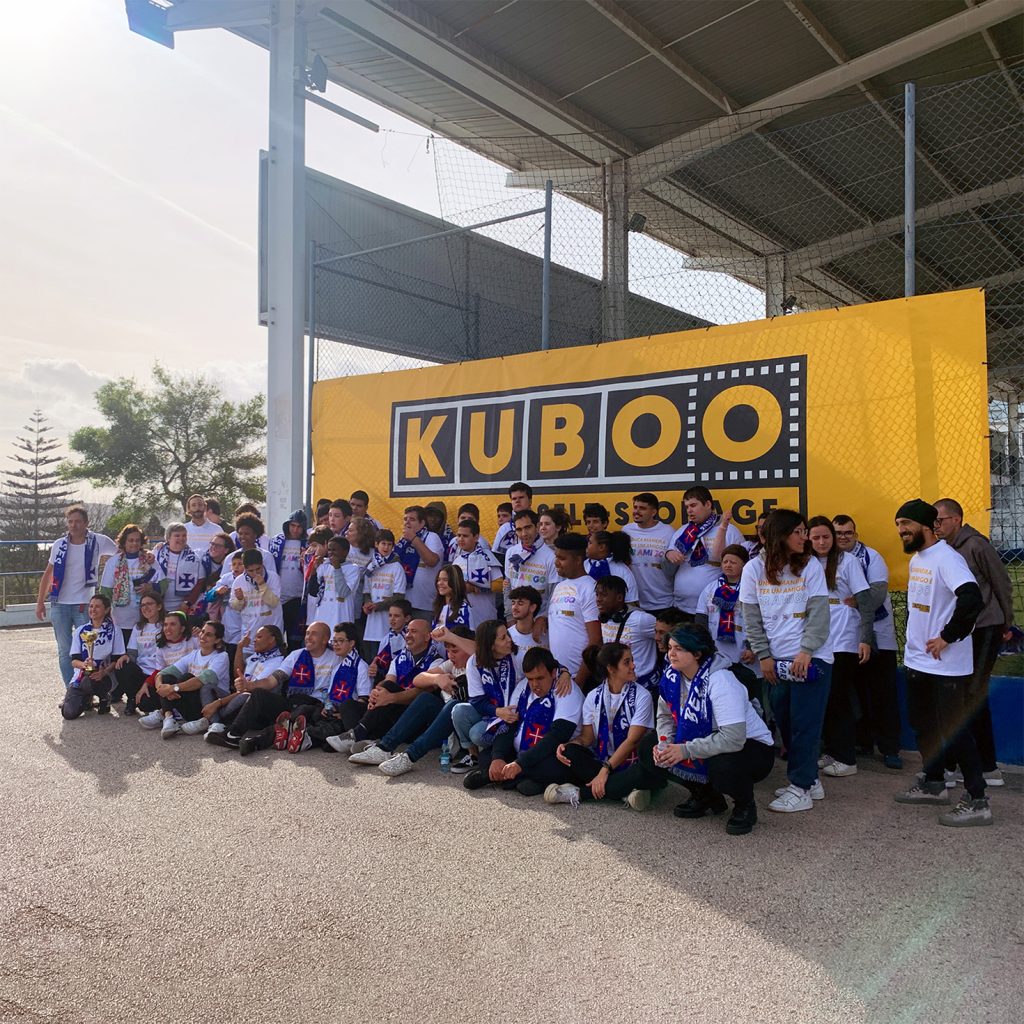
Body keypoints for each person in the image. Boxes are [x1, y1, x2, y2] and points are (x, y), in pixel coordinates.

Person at [618, 624, 775, 835]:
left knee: (722, 764)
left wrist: (684, 750)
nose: (671, 653)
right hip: (705, 739)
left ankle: (745, 805)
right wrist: (665, 742)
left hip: (752, 748)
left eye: (679, 649)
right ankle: (705, 794)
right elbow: (665, 715)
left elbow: (733, 739)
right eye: (670, 647)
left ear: (697, 653)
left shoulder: (721, 681)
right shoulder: (673, 676)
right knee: (650, 747)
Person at [892, 499, 990, 827]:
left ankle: (978, 799)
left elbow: (972, 599)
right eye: (898, 525)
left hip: (946, 664)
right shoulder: (920, 558)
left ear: (925, 526)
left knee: (955, 731)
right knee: (923, 723)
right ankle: (934, 783)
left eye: (905, 524)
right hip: (919, 660)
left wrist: (948, 636)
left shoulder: (947, 558)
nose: (901, 531)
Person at [739, 509, 833, 814]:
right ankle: (809, 778)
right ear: (780, 534)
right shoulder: (753, 569)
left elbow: (819, 612)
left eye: (805, 531)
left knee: (805, 724)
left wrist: (806, 651)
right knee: (785, 720)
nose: (804, 538)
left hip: (811, 658)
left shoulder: (811, 567)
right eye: (798, 532)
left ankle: (801, 787)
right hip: (776, 661)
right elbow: (751, 617)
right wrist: (764, 656)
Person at [933, 497, 1014, 786]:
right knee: (961, 695)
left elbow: (1001, 581)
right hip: (962, 631)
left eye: (940, 520)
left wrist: (1007, 621)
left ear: (956, 519)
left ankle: (987, 766)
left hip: (985, 627)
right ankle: (959, 762)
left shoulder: (976, 545)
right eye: (934, 522)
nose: (936, 526)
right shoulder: (943, 551)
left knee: (972, 695)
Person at [347, 625, 476, 776]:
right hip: (447, 726)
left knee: (455, 705)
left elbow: (479, 652)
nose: (450, 655)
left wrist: (450, 636)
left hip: (470, 723)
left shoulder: (478, 661)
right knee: (426, 699)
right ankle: (384, 748)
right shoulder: (450, 665)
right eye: (448, 651)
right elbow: (418, 679)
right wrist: (438, 678)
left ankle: (409, 756)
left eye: (455, 651)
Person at [832, 514, 903, 769]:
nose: (842, 537)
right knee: (855, 693)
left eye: (847, 533)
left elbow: (877, 592)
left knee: (883, 694)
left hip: (879, 637)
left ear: (856, 535)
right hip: (847, 638)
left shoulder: (871, 557)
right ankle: (862, 741)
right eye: (838, 533)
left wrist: (860, 600)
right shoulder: (828, 561)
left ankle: (890, 748)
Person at [462, 647, 583, 796]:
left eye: (540, 678)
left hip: (552, 754)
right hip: (522, 752)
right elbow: (508, 724)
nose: (535, 685)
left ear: (553, 673)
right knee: (487, 757)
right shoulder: (522, 687)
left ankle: (494, 777)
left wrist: (520, 764)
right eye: (530, 679)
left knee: (553, 768)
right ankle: (522, 780)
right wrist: (498, 757)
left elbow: (558, 735)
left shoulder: (566, 689)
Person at [547, 642, 655, 809]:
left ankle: (580, 793)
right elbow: (587, 738)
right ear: (611, 669)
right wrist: (569, 745)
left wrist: (605, 771)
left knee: (643, 772)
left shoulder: (642, 696)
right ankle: (623, 791)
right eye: (627, 662)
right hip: (603, 760)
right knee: (569, 752)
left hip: (631, 762)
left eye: (632, 660)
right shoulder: (593, 696)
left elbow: (632, 741)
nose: (633, 665)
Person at [808, 517, 873, 779]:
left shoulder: (848, 561)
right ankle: (833, 751)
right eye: (816, 537)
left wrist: (865, 638)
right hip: (817, 642)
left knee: (839, 699)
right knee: (826, 700)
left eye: (826, 537)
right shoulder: (807, 563)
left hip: (843, 641)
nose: (822, 542)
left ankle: (847, 758)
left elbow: (865, 600)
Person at [326, 619, 441, 754]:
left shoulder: (437, 661)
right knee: (348, 705)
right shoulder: (399, 658)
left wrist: (391, 697)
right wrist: (377, 692)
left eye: (414, 631)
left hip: (413, 718)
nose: (408, 635)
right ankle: (367, 741)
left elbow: (421, 692)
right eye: (408, 631)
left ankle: (358, 734)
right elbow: (388, 681)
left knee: (389, 689)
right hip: (390, 712)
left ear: (427, 636)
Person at [228, 621, 340, 755]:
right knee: (259, 693)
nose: (308, 637)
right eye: (307, 633)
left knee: (300, 712)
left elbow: (336, 689)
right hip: (292, 702)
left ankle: (257, 741)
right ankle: (232, 734)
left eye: (314, 634)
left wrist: (329, 707)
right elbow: (271, 680)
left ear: (325, 639)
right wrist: (250, 685)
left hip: (316, 705)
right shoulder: (296, 655)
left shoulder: (335, 658)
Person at [36, 504, 118, 686]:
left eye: (78, 521)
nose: (74, 525)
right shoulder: (59, 545)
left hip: (85, 605)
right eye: (70, 521)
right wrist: (40, 601)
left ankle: (92, 689)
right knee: (65, 651)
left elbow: (121, 554)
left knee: (90, 650)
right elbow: (48, 573)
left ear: (86, 523)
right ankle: (72, 689)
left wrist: (150, 553)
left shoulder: (98, 541)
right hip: (60, 604)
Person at [204, 624, 288, 746]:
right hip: (240, 698)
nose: (254, 640)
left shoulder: (277, 661)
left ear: (272, 639)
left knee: (246, 694)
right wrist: (239, 648)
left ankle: (218, 722)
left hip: (258, 709)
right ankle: (216, 723)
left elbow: (247, 689)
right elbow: (238, 677)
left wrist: (219, 703)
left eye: (259, 637)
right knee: (207, 688)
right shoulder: (256, 656)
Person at [146, 621, 231, 739]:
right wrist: (161, 687)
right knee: (167, 678)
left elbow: (203, 679)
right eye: (202, 632)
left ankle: (166, 712)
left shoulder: (221, 656)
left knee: (186, 677)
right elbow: (164, 672)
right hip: (192, 704)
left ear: (217, 640)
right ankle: (168, 717)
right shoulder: (194, 654)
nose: (203, 636)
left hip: (210, 706)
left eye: (209, 635)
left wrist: (172, 688)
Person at [666, 487, 744, 616]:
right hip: (681, 606)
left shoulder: (730, 531)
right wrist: (668, 554)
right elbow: (667, 570)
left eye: (693, 505)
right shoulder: (683, 532)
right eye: (686, 507)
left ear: (708, 504)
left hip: (714, 607)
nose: (689, 510)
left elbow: (741, 567)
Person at [694, 544, 760, 691]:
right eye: (725, 561)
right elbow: (701, 620)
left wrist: (752, 648)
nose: (728, 565)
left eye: (733, 562)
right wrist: (705, 646)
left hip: (745, 653)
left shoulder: (751, 588)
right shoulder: (710, 588)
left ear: (744, 565)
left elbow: (758, 620)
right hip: (717, 652)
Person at [303, 623, 373, 749]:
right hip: (334, 711)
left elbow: (364, 699)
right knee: (309, 710)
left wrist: (344, 714)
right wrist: (327, 706)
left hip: (348, 714)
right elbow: (329, 694)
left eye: (340, 641)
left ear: (352, 643)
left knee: (329, 736)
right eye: (334, 641)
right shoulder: (338, 666)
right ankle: (307, 735)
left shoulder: (361, 666)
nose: (335, 644)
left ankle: (305, 735)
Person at [61, 594, 128, 719]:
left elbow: (116, 659)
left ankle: (104, 696)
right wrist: (84, 664)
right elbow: (74, 660)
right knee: (68, 713)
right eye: (91, 606)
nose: (93, 609)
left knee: (91, 679)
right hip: (81, 676)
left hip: (104, 676)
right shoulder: (81, 630)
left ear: (107, 610)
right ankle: (86, 697)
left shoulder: (114, 630)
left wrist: (105, 672)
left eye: (97, 606)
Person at [547, 534, 601, 688]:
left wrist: (580, 681)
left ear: (578, 560)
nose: (556, 562)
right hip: (558, 677)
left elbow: (595, 641)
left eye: (562, 558)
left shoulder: (590, 588)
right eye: (556, 557)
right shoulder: (559, 586)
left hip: (581, 679)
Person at [593, 576, 659, 696]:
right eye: (597, 595)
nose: (598, 599)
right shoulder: (605, 619)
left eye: (603, 595)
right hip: (618, 685)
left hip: (643, 686)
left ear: (619, 597)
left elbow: (668, 634)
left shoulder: (641, 620)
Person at [99, 524, 159, 644]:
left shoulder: (149, 560)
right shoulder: (113, 562)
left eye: (138, 540)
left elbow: (163, 585)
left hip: (145, 619)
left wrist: (150, 587)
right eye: (130, 540)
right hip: (121, 620)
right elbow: (105, 591)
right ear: (124, 542)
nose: (134, 543)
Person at [109, 592, 165, 715]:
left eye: (149, 604)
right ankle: (132, 698)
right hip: (140, 671)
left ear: (159, 606)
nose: (145, 608)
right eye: (142, 605)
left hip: (158, 674)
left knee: (146, 706)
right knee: (122, 665)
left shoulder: (166, 626)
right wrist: (126, 656)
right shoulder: (138, 627)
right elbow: (132, 653)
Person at [622, 492, 675, 615]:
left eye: (642, 508)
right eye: (635, 507)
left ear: (654, 512)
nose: (637, 511)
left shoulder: (668, 532)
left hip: (663, 602)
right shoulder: (626, 530)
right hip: (634, 603)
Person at [503, 510, 557, 629]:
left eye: (528, 527)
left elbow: (554, 594)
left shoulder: (551, 557)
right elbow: (507, 587)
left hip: (541, 623)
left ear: (537, 526)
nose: (524, 533)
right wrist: (510, 617)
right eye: (519, 529)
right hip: (516, 620)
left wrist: (543, 619)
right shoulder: (511, 553)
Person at [362, 529, 407, 663]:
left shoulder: (396, 566)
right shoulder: (371, 566)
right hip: (371, 624)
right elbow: (366, 591)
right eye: (383, 544)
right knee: (371, 660)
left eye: (389, 544)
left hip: (387, 623)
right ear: (376, 544)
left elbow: (399, 596)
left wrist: (378, 606)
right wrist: (367, 603)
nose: (386, 547)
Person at [230, 548, 284, 657]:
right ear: (244, 568)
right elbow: (235, 607)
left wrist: (262, 585)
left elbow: (273, 602)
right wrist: (239, 599)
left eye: (258, 569)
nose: (255, 573)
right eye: (251, 571)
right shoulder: (239, 581)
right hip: (249, 636)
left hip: (271, 635)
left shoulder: (273, 577)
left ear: (262, 564)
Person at [449, 518, 503, 625]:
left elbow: (500, 585)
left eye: (465, 536)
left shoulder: (487, 556)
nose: (461, 539)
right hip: (464, 617)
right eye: (459, 535)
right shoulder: (457, 560)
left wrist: (474, 588)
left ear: (476, 537)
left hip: (485, 616)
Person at [396, 505, 445, 620]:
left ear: (422, 523)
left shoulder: (431, 537)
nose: (407, 522)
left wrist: (414, 539)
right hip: (404, 603)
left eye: (412, 519)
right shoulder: (402, 541)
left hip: (425, 604)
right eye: (405, 519)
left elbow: (432, 561)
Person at [268, 510, 308, 647]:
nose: (295, 530)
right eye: (293, 525)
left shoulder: (307, 543)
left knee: (294, 639)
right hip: (278, 596)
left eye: (299, 526)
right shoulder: (276, 541)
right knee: (275, 637)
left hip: (297, 597)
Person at [314, 536, 363, 629]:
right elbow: (316, 588)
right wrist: (316, 566)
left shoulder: (353, 568)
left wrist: (337, 568)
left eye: (335, 550)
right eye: (329, 550)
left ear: (345, 551)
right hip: (323, 614)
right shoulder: (325, 566)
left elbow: (343, 592)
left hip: (341, 615)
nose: (331, 553)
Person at [585, 530, 638, 605]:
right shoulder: (583, 566)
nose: (586, 546)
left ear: (601, 547)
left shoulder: (622, 570)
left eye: (590, 543)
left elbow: (631, 601)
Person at [367, 598, 412, 683]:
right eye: (390, 615)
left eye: (396, 616)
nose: (392, 619)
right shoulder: (385, 639)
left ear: (407, 618)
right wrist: (375, 668)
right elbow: (380, 664)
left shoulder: (412, 638)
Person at [492, 482, 532, 556]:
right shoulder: (505, 528)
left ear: (530, 501)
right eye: (514, 499)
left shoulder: (540, 524)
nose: (517, 501)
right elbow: (497, 558)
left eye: (521, 497)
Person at [431, 563, 473, 630]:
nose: (440, 583)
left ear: (455, 582)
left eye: (445, 580)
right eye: (439, 580)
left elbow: (472, 637)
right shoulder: (438, 606)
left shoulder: (466, 609)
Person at [507, 585, 545, 654]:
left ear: (532, 607)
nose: (514, 608)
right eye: (513, 603)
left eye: (520, 603)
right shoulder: (507, 636)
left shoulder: (546, 634)